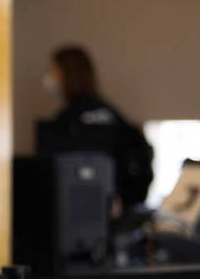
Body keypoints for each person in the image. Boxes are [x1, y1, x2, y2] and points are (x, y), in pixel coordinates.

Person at [37, 44, 154, 214]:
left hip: (83, 214)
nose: (49, 78)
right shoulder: (110, 113)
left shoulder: (69, 120)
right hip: (113, 213)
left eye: (53, 71)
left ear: (66, 74)